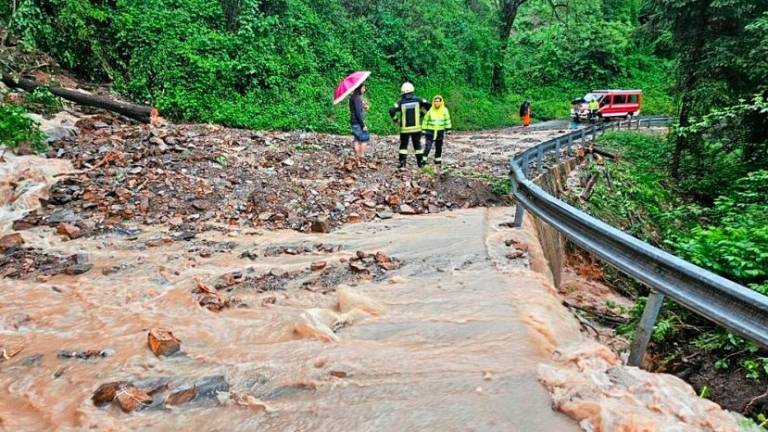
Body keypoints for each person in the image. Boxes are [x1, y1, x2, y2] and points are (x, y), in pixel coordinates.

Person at [389, 82, 431, 168]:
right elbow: (429, 106)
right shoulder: (418, 100)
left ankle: (402, 163)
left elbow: (391, 110)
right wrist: (422, 114)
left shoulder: (400, 102)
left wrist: (396, 120)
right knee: (417, 146)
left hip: (405, 129)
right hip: (416, 129)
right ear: (412, 90)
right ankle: (420, 163)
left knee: (403, 146)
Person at [422, 95, 452, 165]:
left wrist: (448, 129)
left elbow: (447, 120)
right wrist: (423, 130)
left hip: (440, 131)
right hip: (430, 131)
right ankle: (423, 159)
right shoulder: (430, 110)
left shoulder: (445, 110)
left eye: (438, 101)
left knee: (439, 146)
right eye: (435, 101)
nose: (436, 103)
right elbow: (425, 120)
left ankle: (437, 159)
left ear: (441, 102)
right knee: (428, 146)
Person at [349, 84, 369, 158]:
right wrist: (363, 125)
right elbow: (357, 112)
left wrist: (364, 106)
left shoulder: (354, 97)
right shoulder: (357, 98)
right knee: (364, 138)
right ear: (359, 88)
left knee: (356, 139)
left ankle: (357, 156)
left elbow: (357, 109)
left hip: (354, 121)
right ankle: (361, 156)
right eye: (363, 88)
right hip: (358, 122)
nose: (364, 89)